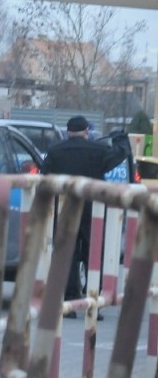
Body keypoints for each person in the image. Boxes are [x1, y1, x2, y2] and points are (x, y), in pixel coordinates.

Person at [40, 115, 128, 317]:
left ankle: (68, 303)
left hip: (65, 207)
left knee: (66, 254)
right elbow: (119, 154)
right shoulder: (98, 150)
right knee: (93, 253)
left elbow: (44, 176)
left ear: (68, 132)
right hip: (93, 208)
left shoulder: (55, 151)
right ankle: (92, 303)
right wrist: (120, 138)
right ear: (87, 131)